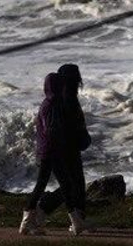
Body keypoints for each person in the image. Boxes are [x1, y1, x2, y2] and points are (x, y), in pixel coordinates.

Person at [20, 63, 92, 235]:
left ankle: (75, 221)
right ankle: (42, 215)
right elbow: (56, 129)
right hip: (58, 150)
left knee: (68, 185)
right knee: (70, 184)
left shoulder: (54, 101)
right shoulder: (58, 102)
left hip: (55, 150)